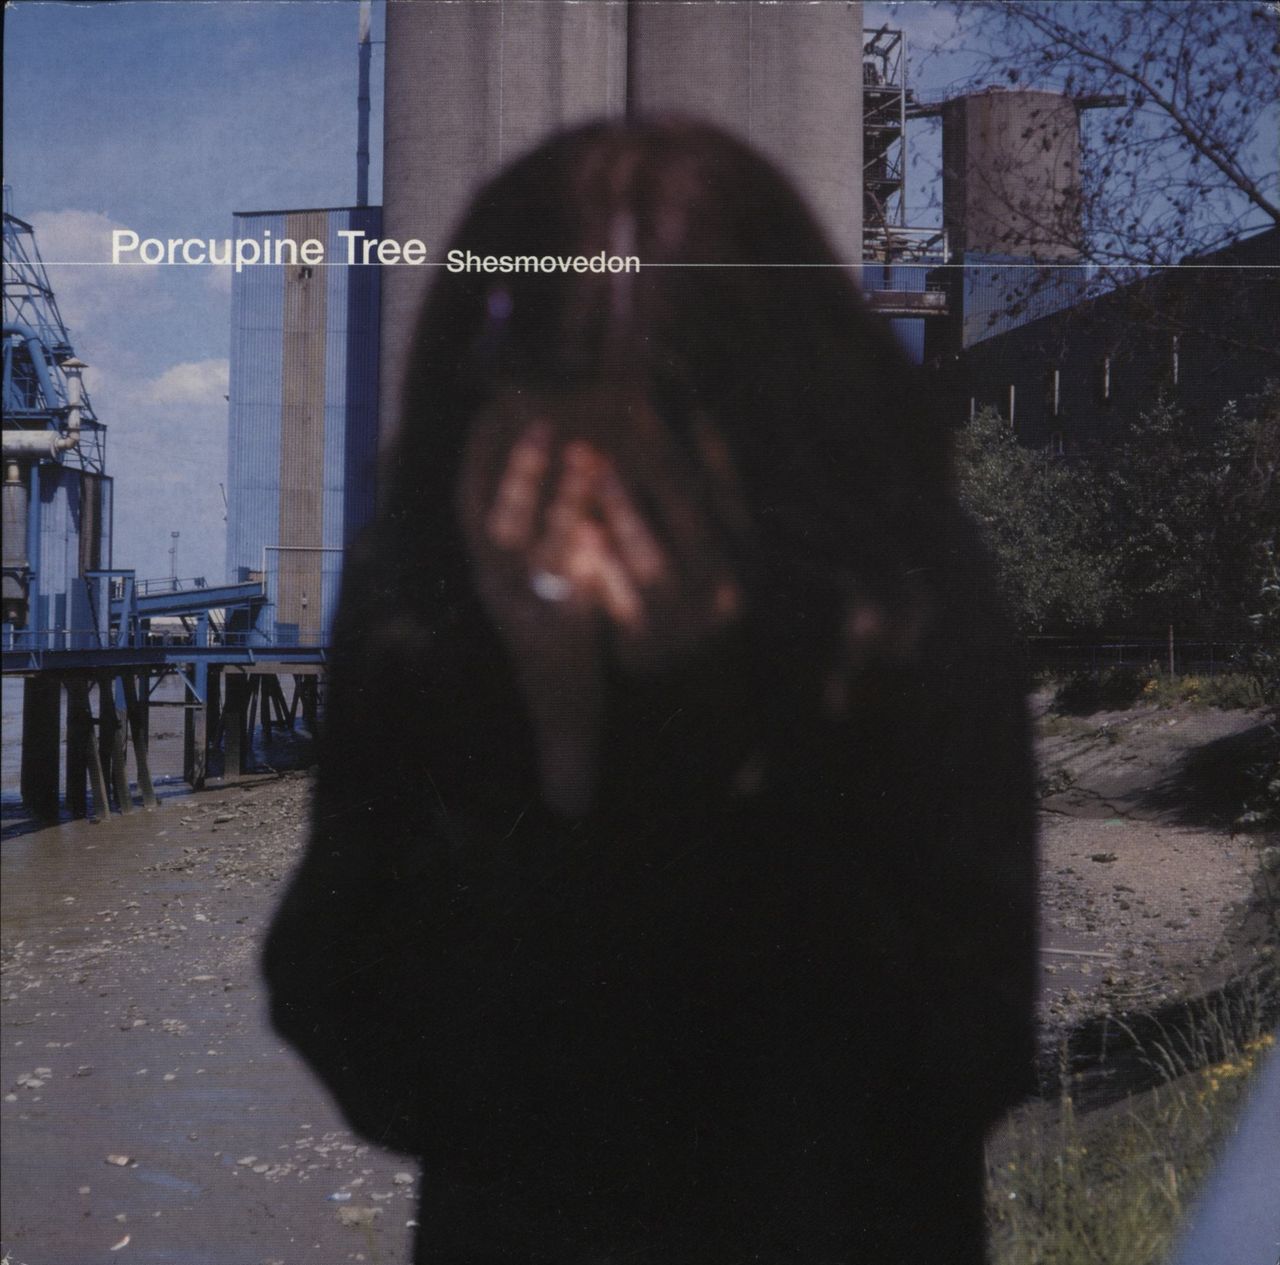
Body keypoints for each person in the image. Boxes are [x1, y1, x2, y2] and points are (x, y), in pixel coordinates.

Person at [263, 117, 1038, 1264]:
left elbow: (958, 1052)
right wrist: (553, 740)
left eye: (666, 403)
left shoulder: (901, 591)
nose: (603, 473)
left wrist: (696, 732)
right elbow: (355, 1033)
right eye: (549, 391)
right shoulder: (419, 594)